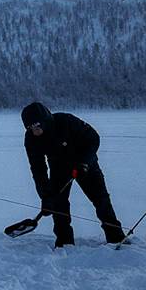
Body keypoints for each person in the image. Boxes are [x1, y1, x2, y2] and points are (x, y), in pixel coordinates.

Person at [20, 102, 126, 247]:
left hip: (85, 164)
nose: (35, 130)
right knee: (58, 205)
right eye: (30, 127)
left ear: (45, 120)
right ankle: (64, 242)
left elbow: (94, 138)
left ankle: (116, 237)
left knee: (101, 201)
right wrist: (45, 195)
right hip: (58, 167)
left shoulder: (66, 122)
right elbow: (38, 169)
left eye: (37, 126)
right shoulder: (31, 139)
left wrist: (84, 163)